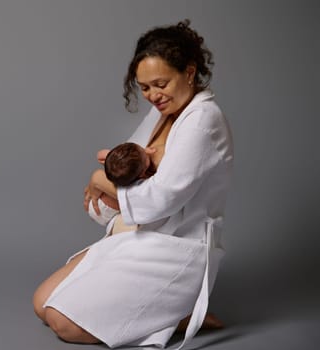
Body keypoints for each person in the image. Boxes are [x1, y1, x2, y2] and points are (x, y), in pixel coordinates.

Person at [33, 19, 233, 349]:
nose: (153, 95)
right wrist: (105, 200)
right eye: (144, 87)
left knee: (63, 324)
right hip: (140, 234)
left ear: (189, 71)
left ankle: (175, 312)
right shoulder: (161, 114)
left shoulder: (203, 120)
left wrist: (100, 181)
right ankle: (167, 311)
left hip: (177, 248)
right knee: (41, 303)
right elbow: (126, 176)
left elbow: (159, 199)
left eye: (161, 83)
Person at [87, 142, 156, 229]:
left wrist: (109, 154)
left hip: (99, 195)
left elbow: (100, 155)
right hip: (102, 210)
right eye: (146, 157)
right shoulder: (143, 178)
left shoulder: (117, 164)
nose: (147, 151)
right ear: (142, 174)